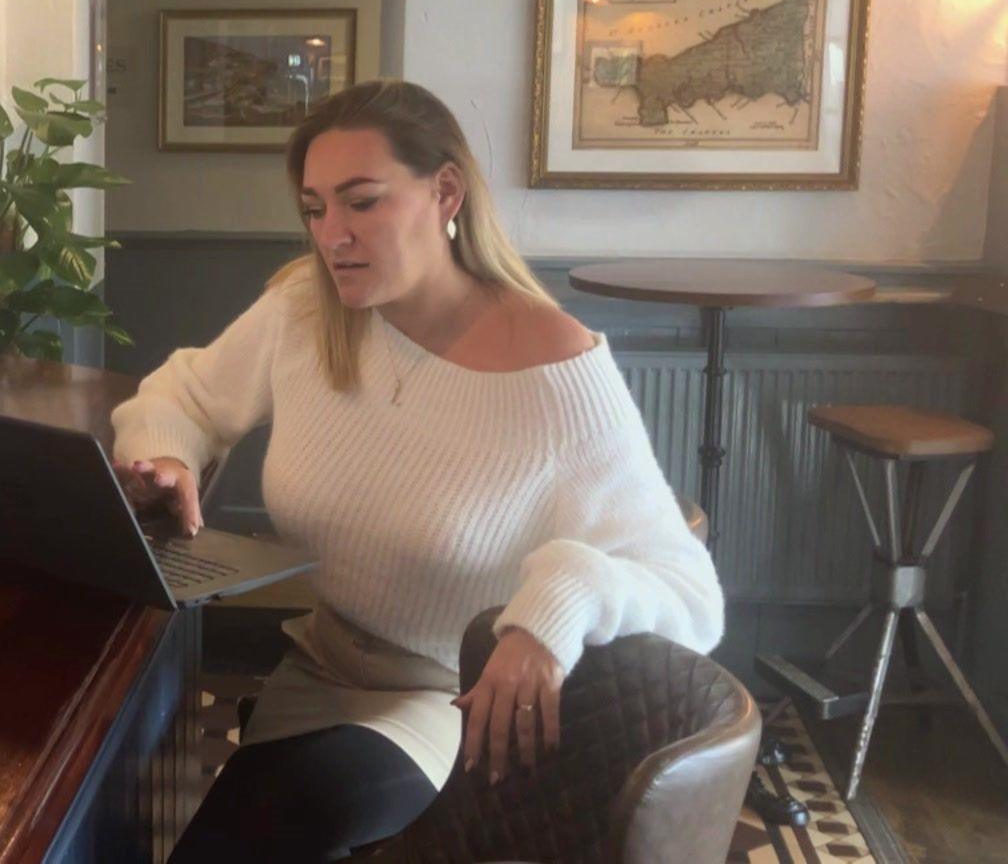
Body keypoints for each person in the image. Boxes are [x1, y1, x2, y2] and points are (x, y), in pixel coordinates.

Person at [111, 81, 724, 863]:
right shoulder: (309, 308)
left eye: (362, 202)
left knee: (263, 825)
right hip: (317, 664)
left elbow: (689, 591)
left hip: (443, 702)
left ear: (444, 192)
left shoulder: (554, 368)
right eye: (314, 208)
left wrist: (557, 602)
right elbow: (186, 392)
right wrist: (166, 453)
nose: (333, 235)